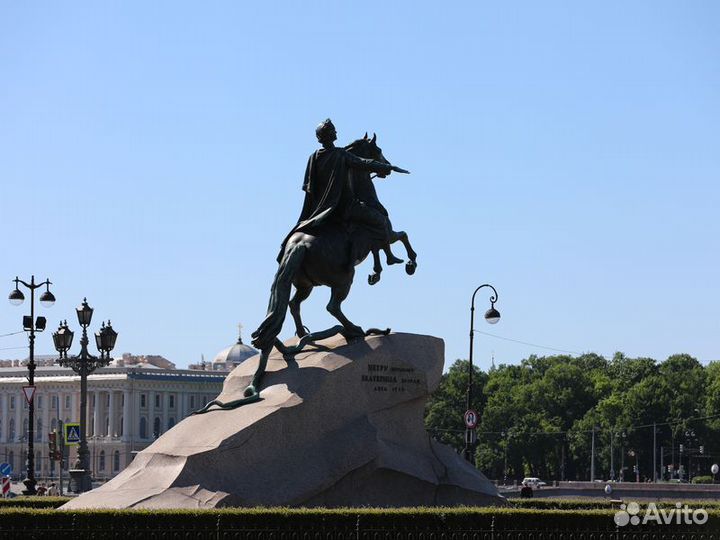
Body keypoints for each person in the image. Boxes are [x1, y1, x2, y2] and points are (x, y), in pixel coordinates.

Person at [278, 119, 403, 264]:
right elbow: (362, 163)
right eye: (334, 130)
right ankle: (389, 256)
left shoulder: (313, 157)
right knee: (381, 221)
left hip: (319, 210)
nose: (336, 132)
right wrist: (386, 167)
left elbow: (309, 186)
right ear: (330, 135)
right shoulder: (340, 154)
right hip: (344, 207)